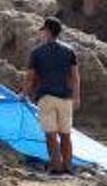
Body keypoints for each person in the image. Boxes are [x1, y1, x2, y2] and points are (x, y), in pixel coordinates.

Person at [23, 17, 81, 175]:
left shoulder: (37, 52)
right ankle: (68, 167)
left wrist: (24, 94)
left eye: (43, 30)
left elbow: (30, 78)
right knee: (66, 135)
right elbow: (75, 76)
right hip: (65, 98)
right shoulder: (69, 51)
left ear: (48, 32)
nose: (41, 33)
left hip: (46, 97)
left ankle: (56, 167)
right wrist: (76, 97)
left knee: (50, 134)